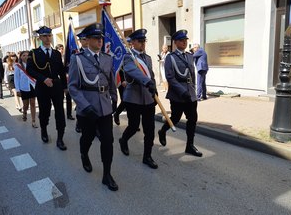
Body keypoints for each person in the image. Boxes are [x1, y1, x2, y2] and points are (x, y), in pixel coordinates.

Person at [68, 23, 118, 191]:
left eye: (101, 38)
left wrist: (114, 98)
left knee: (108, 141)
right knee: (87, 137)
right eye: (96, 38)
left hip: (104, 107)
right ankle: (84, 153)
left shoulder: (107, 58)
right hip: (87, 108)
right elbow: (73, 87)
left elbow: (111, 81)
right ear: (87, 40)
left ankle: (107, 174)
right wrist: (84, 105)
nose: (100, 41)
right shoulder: (78, 59)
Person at [158, 30, 203, 157]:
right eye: (181, 40)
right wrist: (182, 91)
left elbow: (192, 74)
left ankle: (189, 146)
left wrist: (193, 89)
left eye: (185, 40)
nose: (184, 42)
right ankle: (162, 131)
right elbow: (170, 77)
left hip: (190, 94)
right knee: (175, 118)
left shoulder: (189, 56)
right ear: (175, 42)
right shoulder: (170, 57)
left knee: (192, 119)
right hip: (178, 94)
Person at [118, 28, 158, 169]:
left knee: (150, 129)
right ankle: (123, 140)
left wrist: (155, 91)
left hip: (148, 98)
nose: (142, 44)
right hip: (133, 98)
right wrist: (147, 82)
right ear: (133, 42)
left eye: (144, 41)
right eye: (140, 41)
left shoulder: (148, 58)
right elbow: (132, 71)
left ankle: (147, 156)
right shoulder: (129, 57)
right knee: (134, 126)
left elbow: (151, 75)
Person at [26, 26, 67, 151]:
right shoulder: (34, 53)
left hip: (56, 86)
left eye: (49, 35)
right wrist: (43, 79)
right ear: (40, 37)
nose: (47, 38)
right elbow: (30, 69)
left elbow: (61, 70)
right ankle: (43, 130)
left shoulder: (56, 53)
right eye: (44, 36)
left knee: (60, 112)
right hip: (42, 87)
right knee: (44, 111)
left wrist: (65, 87)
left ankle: (60, 138)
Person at [15, 51, 38, 128]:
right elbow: (16, 78)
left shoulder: (33, 64)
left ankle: (33, 121)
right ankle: (24, 112)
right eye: (24, 55)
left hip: (32, 86)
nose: (26, 57)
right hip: (23, 87)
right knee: (26, 105)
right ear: (20, 57)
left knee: (32, 103)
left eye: (27, 55)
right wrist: (17, 90)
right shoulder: (18, 66)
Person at [55, 43, 75, 121]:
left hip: (67, 79)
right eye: (59, 49)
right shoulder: (55, 58)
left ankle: (69, 114)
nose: (61, 50)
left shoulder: (67, 58)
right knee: (60, 98)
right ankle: (60, 114)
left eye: (62, 49)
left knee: (69, 97)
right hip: (59, 80)